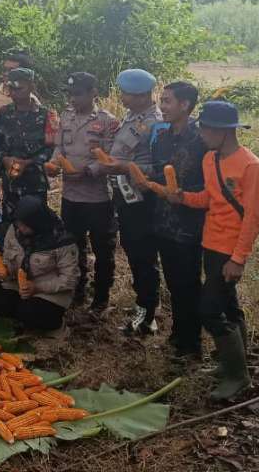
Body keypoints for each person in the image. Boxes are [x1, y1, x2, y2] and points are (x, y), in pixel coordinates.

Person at [165, 101, 259, 400]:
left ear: (224, 131)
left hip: (229, 249)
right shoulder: (211, 159)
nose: (201, 134)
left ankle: (238, 376)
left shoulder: (251, 166)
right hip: (210, 243)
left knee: (209, 310)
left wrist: (238, 258)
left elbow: (252, 217)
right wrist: (182, 197)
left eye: (206, 129)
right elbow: (210, 199)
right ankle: (232, 363)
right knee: (228, 305)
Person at [137, 82, 207, 358]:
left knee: (188, 284)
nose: (162, 107)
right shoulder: (163, 137)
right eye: (162, 101)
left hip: (188, 224)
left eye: (167, 101)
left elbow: (208, 185)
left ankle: (192, 344)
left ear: (185, 105)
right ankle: (178, 336)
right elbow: (157, 172)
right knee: (174, 283)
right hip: (162, 222)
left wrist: (184, 196)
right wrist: (147, 183)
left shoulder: (201, 141)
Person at [96, 68, 162, 336]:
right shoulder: (133, 116)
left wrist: (122, 167)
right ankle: (143, 305)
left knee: (143, 256)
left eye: (125, 93)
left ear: (141, 95)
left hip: (142, 201)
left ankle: (147, 313)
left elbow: (156, 167)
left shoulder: (155, 123)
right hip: (125, 197)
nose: (121, 97)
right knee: (133, 251)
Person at [50, 72, 118, 312]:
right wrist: (53, 164)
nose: (72, 99)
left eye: (78, 94)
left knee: (103, 249)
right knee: (73, 245)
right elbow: (59, 148)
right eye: (70, 94)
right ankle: (78, 290)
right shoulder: (66, 117)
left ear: (93, 93)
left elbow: (111, 157)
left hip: (98, 198)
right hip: (71, 197)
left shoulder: (107, 121)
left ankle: (101, 298)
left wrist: (88, 171)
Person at [0, 196, 80, 333]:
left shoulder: (62, 241)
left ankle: (56, 324)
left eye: (25, 225)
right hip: (18, 285)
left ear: (37, 223)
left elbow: (69, 279)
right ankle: (20, 316)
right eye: (18, 223)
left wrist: (37, 287)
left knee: (30, 313)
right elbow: (8, 258)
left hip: (47, 290)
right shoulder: (14, 230)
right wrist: (5, 271)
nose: (20, 228)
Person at [0, 67, 58, 243]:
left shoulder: (45, 115)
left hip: (35, 182)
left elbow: (51, 149)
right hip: (11, 181)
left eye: (19, 88)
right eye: (11, 88)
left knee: (36, 224)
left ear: (31, 87)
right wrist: (4, 159)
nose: (14, 92)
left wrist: (29, 163)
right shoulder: (4, 113)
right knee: (11, 224)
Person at [0, 52, 37, 239]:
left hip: (14, 161)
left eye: (12, 70)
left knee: (10, 200)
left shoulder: (32, 101)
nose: (6, 74)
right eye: (5, 69)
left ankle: (6, 237)